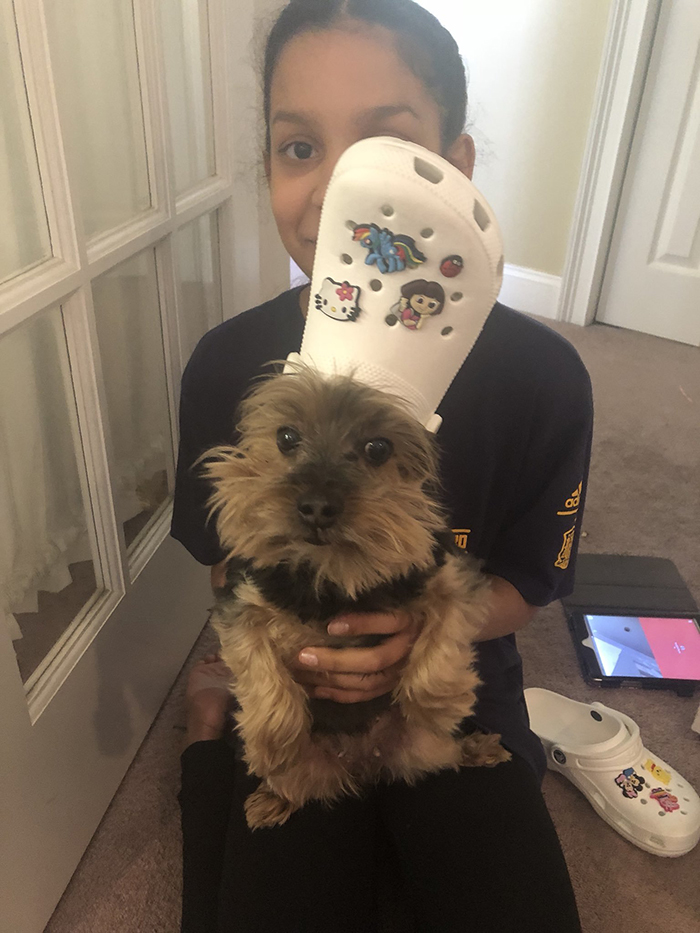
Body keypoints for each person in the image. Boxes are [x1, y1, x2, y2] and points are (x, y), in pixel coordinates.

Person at [172, 1, 593, 931]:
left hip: (453, 666)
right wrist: (293, 654)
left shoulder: (544, 379)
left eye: (385, 147)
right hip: (294, 671)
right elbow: (227, 562)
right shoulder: (224, 365)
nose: (334, 192)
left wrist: (414, 638)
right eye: (298, 148)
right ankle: (211, 737)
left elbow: (530, 579)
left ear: (460, 168)